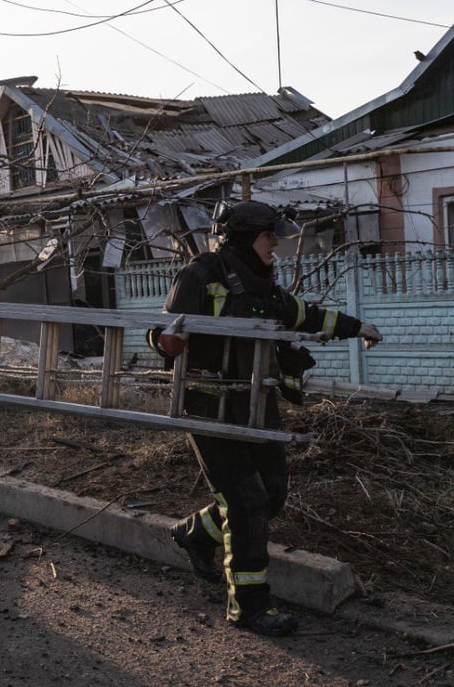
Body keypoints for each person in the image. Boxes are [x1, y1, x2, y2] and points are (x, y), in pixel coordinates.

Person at [149, 200, 383, 637]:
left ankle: (196, 534)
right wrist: (168, 343)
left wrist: (357, 327)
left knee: (272, 495)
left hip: (258, 405)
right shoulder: (200, 274)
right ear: (244, 238)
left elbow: (307, 315)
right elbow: (162, 329)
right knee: (246, 503)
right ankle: (249, 607)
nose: (275, 242)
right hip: (209, 406)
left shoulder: (265, 286)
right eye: (268, 235)